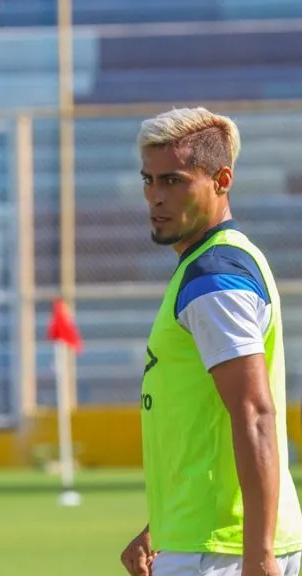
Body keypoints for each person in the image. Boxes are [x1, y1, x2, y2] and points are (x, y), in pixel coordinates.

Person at [120, 107, 302, 576]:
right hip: (209, 541)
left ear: (222, 179)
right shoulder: (211, 265)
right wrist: (160, 526)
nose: (155, 197)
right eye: (149, 180)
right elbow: (207, 425)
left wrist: (257, 558)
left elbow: (254, 413)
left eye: (174, 181)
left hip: (224, 551)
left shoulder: (215, 276)